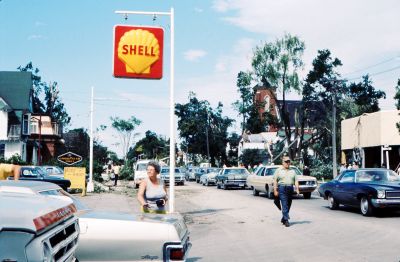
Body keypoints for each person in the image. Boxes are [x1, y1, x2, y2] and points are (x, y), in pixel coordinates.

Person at [273, 155, 299, 227]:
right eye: (286, 162)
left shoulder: (293, 171)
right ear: (283, 163)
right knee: (284, 204)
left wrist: (297, 189)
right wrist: (275, 190)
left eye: (289, 162)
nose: (288, 163)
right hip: (282, 188)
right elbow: (275, 180)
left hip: (290, 188)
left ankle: (283, 218)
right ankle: (286, 220)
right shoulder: (278, 170)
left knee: (289, 204)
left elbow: (296, 181)